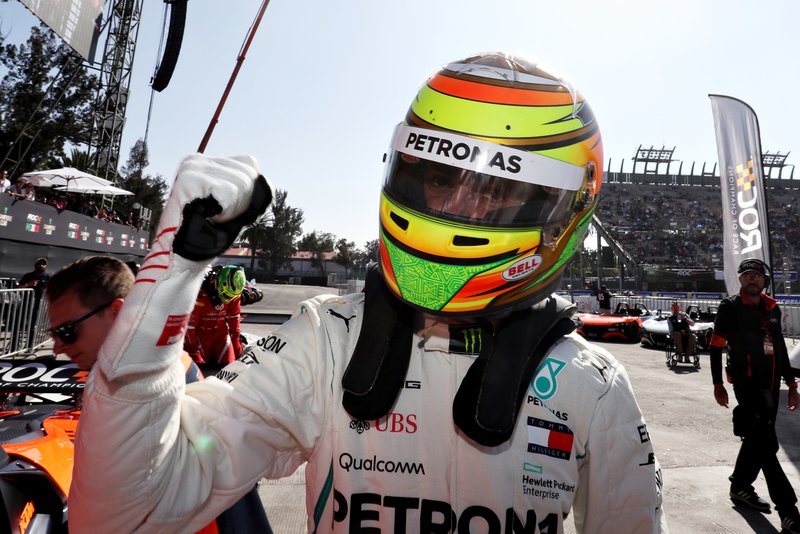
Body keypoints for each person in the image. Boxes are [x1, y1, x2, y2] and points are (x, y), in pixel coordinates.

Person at [67, 53, 667, 532]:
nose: (457, 208)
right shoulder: (326, 341)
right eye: (438, 177)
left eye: (493, 190)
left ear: (562, 215)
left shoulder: (594, 387)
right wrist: (171, 278)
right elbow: (120, 517)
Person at [44, 255, 272, 533]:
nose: (56, 347)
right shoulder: (118, 377)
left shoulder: (158, 380)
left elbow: (226, 476)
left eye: (67, 332)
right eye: (52, 333)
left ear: (117, 312)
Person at [710, 258, 800, 533]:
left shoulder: (771, 308)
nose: (752, 279)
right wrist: (717, 384)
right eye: (747, 275)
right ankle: (789, 511)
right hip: (747, 388)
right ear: (740, 280)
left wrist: (792, 384)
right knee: (766, 447)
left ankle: (740, 485)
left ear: (764, 281)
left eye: (757, 276)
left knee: (755, 440)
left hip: (771, 387)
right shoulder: (730, 308)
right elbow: (715, 346)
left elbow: (781, 349)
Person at [183, 265, 246, 365]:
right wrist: (193, 350)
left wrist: (237, 343)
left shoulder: (235, 294)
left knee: (231, 365)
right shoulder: (200, 294)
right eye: (226, 295)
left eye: (232, 297)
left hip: (221, 334)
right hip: (200, 335)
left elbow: (234, 317)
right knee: (200, 366)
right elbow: (189, 326)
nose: (228, 299)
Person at [18, 257, 50, 346]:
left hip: (37, 305)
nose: (41, 265)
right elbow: (17, 288)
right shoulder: (28, 275)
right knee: (18, 325)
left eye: (43, 264)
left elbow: (51, 290)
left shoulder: (47, 277)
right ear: (35, 265)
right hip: (25, 304)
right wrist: (28, 284)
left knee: (32, 326)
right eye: (39, 264)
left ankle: (29, 346)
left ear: (46, 266)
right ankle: (14, 345)